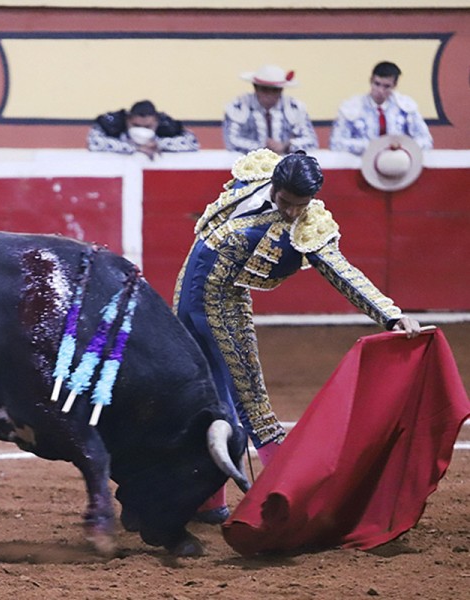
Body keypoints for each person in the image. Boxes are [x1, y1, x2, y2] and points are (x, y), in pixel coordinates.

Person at [172, 149, 421, 522]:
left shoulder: (309, 225)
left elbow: (342, 272)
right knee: (202, 400)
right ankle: (210, 503)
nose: (292, 212)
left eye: (300, 205)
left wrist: (390, 315)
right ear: (274, 185)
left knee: (253, 405)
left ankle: (293, 501)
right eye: (287, 202)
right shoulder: (254, 176)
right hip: (187, 294)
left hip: (224, 305)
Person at [329, 61, 433, 156]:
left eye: (386, 86)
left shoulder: (406, 108)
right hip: (360, 166)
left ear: (395, 85)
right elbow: (336, 143)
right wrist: (371, 146)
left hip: (398, 166)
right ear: (371, 80)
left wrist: (401, 146)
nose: (380, 90)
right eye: (377, 84)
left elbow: (426, 141)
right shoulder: (352, 107)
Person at [223, 65, 318, 155]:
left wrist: (286, 145)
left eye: (275, 90)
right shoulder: (239, 106)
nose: (270, 95)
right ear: (255, 87)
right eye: (264, 89)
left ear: (281, 90)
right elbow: (231, 141)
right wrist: (260, 148)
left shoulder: (295, 108)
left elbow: (311, 141)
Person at [87, 100, 199, 158]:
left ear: (156, 122)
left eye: (148, 127)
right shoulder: (113, 124)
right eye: (136, 125)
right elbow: (93, 141)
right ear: (127, 120)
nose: (141, 130)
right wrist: (135, 148)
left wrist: (159, 144)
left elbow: (192, 142)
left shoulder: (167, 126)